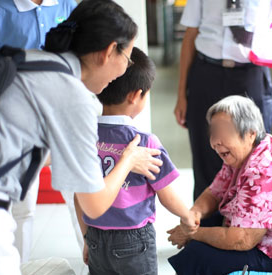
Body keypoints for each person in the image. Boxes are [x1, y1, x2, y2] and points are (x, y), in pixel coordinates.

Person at [0, 1, 164, 274]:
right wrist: (127, 160)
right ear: (108, 52)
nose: (125, 70)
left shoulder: (33, 60)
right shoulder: (74, 96)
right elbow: (95, 206)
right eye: (127, 59)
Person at [174, 0, 272, 200]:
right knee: (206, 158)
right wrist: (181, 95)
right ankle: (207, 229)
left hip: (249, 77)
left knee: (255, 161)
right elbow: (190, 35)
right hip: (206, 74)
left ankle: (249, 227)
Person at [168, 95, 272, 274]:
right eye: (213, 132)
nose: (215, 141)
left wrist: (192, 233)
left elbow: (242, 240)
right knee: (205, 223)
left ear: (250, 133)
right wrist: (193, 215)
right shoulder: (243, 154)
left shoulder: (266, 169)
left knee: (199, 253)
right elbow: (214, 192)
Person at [74, 47, 198, 275]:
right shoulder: (144, 142)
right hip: (133, 238)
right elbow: (166, 194)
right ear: (136, 95)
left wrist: (86, 238)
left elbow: (79, 197)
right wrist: (187, 215)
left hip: (95, 236)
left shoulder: (86, 137)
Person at [0, 0, 79, 263]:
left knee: (79, 196)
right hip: (19, 120)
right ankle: (20, 266)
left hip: (64, 113)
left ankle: (96, 262)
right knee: (22, 205)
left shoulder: (67, 6)